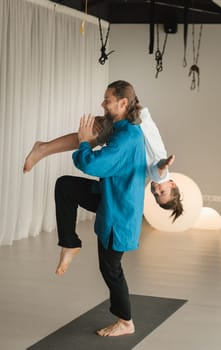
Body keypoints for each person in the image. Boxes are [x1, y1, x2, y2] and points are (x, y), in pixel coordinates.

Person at [55, 80, 146, 337]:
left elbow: (93, 165)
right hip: (110, 197)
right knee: (65, 186)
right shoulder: (122, 128)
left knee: (111, 269)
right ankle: (70, 242)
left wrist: (85, 142)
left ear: (123, 103)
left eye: (107, 99)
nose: (102, 103)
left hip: (119, 211)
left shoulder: (127, 137)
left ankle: (126, 322)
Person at [23, 108, 183, 220]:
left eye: (156, 195)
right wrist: (164, 165)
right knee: (92, 138)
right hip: (135, 122)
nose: (157, 190)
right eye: (163, 192)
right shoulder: (161, 174)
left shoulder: (150, 173)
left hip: (134, 125)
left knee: (93, 138)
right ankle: (43, 148)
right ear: (172, 184)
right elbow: (159, 170)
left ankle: (43, 148)